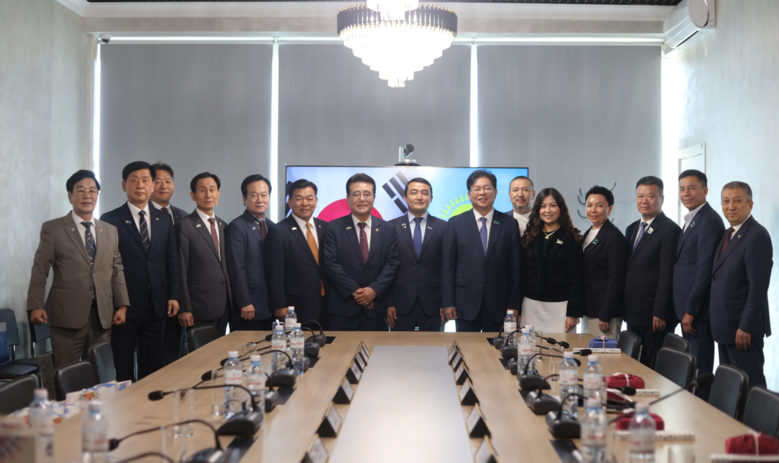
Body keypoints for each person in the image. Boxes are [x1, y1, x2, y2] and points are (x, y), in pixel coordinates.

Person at [26, 170, 130, 369]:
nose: (87, 195)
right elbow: (40, 269)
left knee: (100, 373)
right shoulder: (53, 229)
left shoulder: (110, 230)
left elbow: (116, 270)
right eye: (80, 190)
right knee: (67, 372)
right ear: (69, 196)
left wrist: (122, 305)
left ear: (97, 195)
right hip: (66, 316)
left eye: (92, 191)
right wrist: (35, 305)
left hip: (102, 316)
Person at [100, 161, 180, 381]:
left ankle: (148, 401)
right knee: (122, 366)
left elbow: (172, 261)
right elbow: (107, 266)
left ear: (152, 185)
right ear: (124, 185)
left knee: (153, 366)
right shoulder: (110, 220)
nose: (140, 185)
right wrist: (117, 303)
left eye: (145, 180)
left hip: (157, 303)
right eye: (134, 180)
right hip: (124, 306)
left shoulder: (164, 219)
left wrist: (173, 295)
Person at [442, 170, 522, 332]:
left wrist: (514, 305)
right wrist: (448, 302)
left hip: (499, 304)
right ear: (469, 194)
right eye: (477, 189)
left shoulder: (509, 224)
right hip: (465, 302)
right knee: (466, 346)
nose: (482, 192)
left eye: (487, 188)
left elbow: (516, 269)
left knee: (496, 346)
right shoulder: (455, 223)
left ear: (495, 192)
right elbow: (448, 267)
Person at [710, 181, 772, 389]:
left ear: (750, 204)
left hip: (742, 329)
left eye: (737, 201)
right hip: (725, 325)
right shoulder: (727, 234)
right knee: (731, 387)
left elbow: (758, 288)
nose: (731, 206)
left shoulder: (757, 235)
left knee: (751, 386)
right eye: (726, 201)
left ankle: (759, 414)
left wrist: (745, 327)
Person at [322, 173, 399, 330]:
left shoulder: (388, 229)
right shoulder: (333, 228)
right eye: (356, 194)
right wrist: (356, 291)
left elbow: (392, 264)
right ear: (348, 198)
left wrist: (373, 290)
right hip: (343, 308)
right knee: (341, 347)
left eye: (367, 194)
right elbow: (331, 264)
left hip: (376, 308)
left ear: (374, 197)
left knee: (375, 346)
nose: (362, 199)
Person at [673, 170, 725, 400]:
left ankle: (702, 414)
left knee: (700, 371)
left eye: (692, 188)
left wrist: (691, 310)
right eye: (682, 189)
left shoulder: (709, 220)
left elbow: (704, 270)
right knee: (691, 369)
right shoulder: (693, 218)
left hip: (697, 313)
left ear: (705, 190)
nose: (686, 193)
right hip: (687, 310)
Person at [624, 176, 681, 369]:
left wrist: (660, 311)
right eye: (640, 196)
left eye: (650, 196)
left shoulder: (670, 230)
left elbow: (667, 274)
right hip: (633, 310)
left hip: (654, 315)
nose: (644, 201)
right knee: (634, 365)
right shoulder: (632, 228)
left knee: (655, 368)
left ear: (662, 199)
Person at [266, 179, 330, 328]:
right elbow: (274, 272)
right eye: (299, 198)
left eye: (309, 198)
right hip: (296, 305)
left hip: (328, 304)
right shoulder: (278, 231)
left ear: (316, 201)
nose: (305, 203)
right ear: (290, 202)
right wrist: (279, 305)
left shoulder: (326, 227)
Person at [386, 178, 448, 331]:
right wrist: (388, 303)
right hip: (399, 304)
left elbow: (448, 268)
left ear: (431, 198)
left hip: (434, 305)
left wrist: (446, 303)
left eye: (424, 193)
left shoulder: (444, 227)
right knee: (399, 345)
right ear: (405, 197)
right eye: (414, 193)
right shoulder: (390, 227)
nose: (419, 197)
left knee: (433, 346)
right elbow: (385, 268)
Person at [521, 188, 584, 334]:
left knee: (560, 347)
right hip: (531, 307)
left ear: (561, 208)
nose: (547, 210)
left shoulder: (571, 238)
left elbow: (577, 278)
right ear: (538, 210)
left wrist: (573, 312)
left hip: (561, 307)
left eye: (553, 205)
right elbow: (522, 274)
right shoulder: (529, 237)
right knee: (530, 346)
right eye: (543, 206)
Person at [177, 172, 232, 336]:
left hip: (224, 306)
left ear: (218, 194)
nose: (208, 195)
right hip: (198, 306)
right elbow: (180, 269)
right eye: (202, 190)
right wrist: (185, 307)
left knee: (221, 350)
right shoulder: (184, 226)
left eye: (212, 190)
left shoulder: (223, 225)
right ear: (193, 195)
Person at [225, 174, 278, 331]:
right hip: (249, 306)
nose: (260, 200)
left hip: (270, 306)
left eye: (264, 195)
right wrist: (244, 301)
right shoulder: (237, 227)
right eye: (254, 195)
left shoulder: (272, 226)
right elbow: (236, 267)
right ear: (244, 198)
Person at [149, 162, 188, 365]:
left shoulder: (183, 217)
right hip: (153, 299)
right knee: (154, 357)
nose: (163, 185)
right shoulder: (143, 216)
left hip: (181, 296)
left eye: (168, 181)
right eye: (157, 181)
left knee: (177, 353)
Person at [581, 186, 626, 340]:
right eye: (589, 205)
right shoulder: (589, 232)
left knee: (603, 354)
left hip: (604, 313)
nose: (593, 210)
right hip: (589, 308)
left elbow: (616, 278)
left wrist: (605, 314)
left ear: (610, 209)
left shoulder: (614, 237)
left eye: (599, 205)